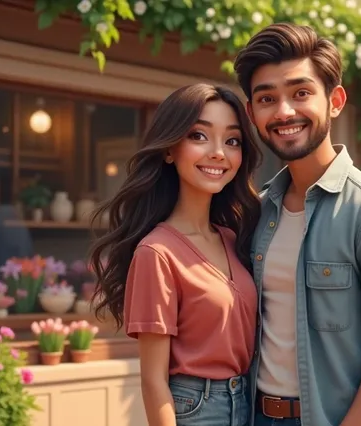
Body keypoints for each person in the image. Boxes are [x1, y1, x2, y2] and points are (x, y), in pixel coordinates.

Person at [233, 23, 361, 426]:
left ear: (335, 100)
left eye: (301, 93)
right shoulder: (258, 211)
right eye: (267, 98)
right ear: (252, 113)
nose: (284, 111)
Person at [88, 83, 262, 426]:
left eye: (232, 141)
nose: (218, 153)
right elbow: (153, 382)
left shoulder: (235, 239)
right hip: (196, 411)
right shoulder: (157, 252)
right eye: (199, 136)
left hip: (248, 403)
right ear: (169, 149)